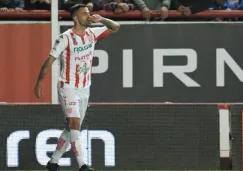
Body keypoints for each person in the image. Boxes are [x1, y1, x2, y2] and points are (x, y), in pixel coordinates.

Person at [34, 3, 120, 171]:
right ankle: (82, 165)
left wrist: (101, 19)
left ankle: (52, 163)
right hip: (68, 87)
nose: (88, 16)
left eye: (89, 13)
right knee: (74, 123)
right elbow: (49, 60)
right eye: (84, 14)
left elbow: (116, 27)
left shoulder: (92, 34)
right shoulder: (65, 38)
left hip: (84, 88)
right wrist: (39, 82)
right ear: (75, 18)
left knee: (71, 128)